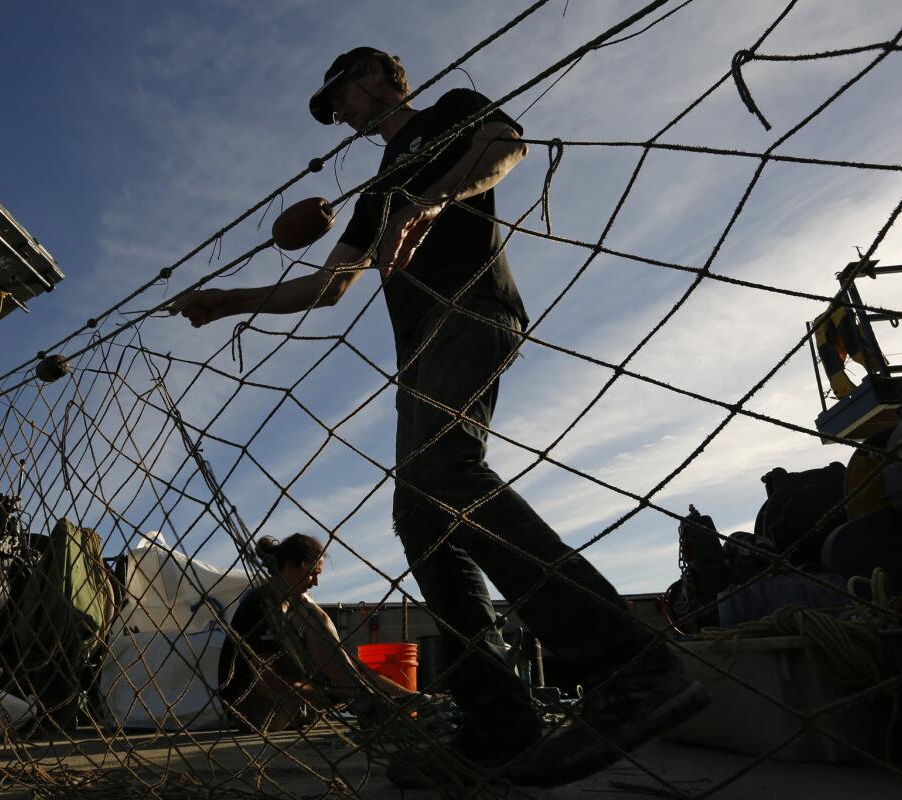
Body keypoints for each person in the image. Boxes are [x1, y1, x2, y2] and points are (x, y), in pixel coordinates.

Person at [176, 48, 709, 785]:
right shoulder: (371, 194)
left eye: (342, 98)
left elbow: (505, 147)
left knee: (445, 470)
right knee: (420, 514)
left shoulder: (447, 113)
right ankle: (501, 724)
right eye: (333, 112)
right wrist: (227, 300)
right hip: (418, 350)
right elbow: (330, 288)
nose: (343, 117)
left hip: (472, 308)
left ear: (376, 76)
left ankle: (630, 664)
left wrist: (433, 199)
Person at [217, 532, 416, 733]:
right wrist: (328, 695)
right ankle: (363, 699)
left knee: (320, 626)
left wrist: (400, 694)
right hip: (252, 712)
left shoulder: (291, 607)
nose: (316, 583)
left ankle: (401, 698)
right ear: (290, 566)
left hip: (289, 707)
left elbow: (341, 659)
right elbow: (267, 683)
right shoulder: (261, 605)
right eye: (313, 573)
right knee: (312, 620)